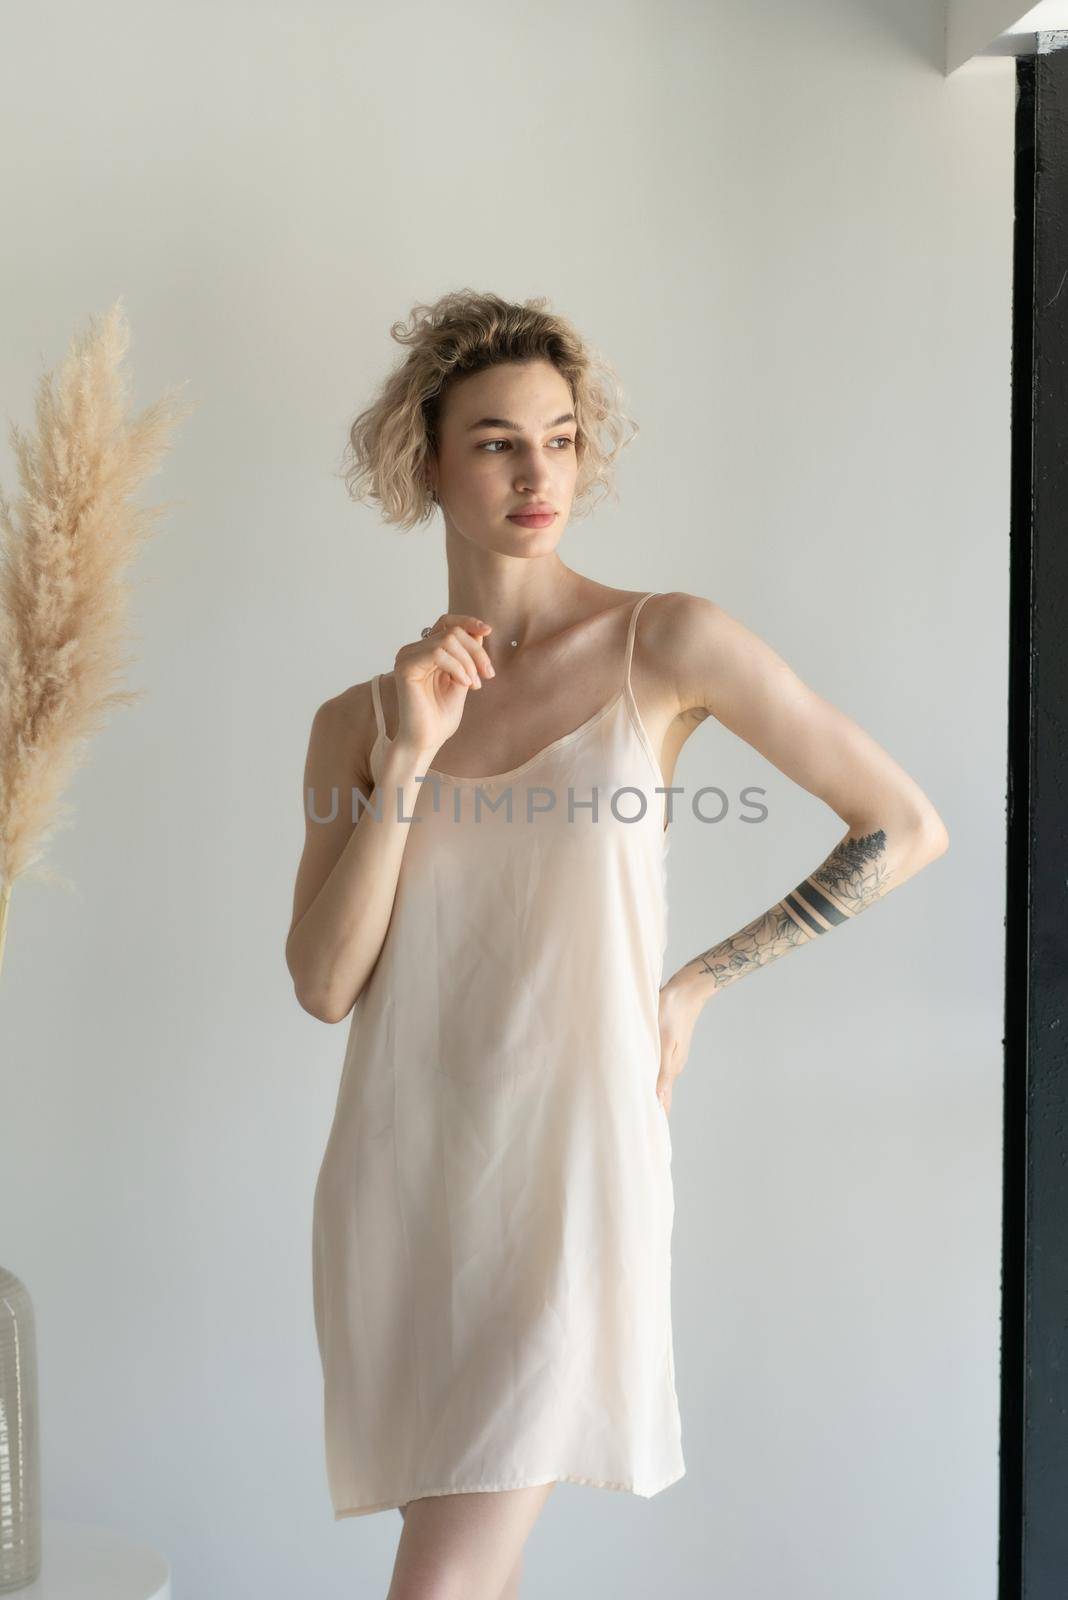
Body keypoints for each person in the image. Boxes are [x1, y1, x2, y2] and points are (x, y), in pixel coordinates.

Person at [285, 290, 949, 1600]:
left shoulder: (666, 642)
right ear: (422, 458)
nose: (540, 473)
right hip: (408, 1178)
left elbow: (902, 826)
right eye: (496, 442)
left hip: (574, 1171)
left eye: (563, 437)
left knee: (444, 1581)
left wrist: (696, 985)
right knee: (484, 1566)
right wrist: (410, 761)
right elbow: (324, 985)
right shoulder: (361, 723)